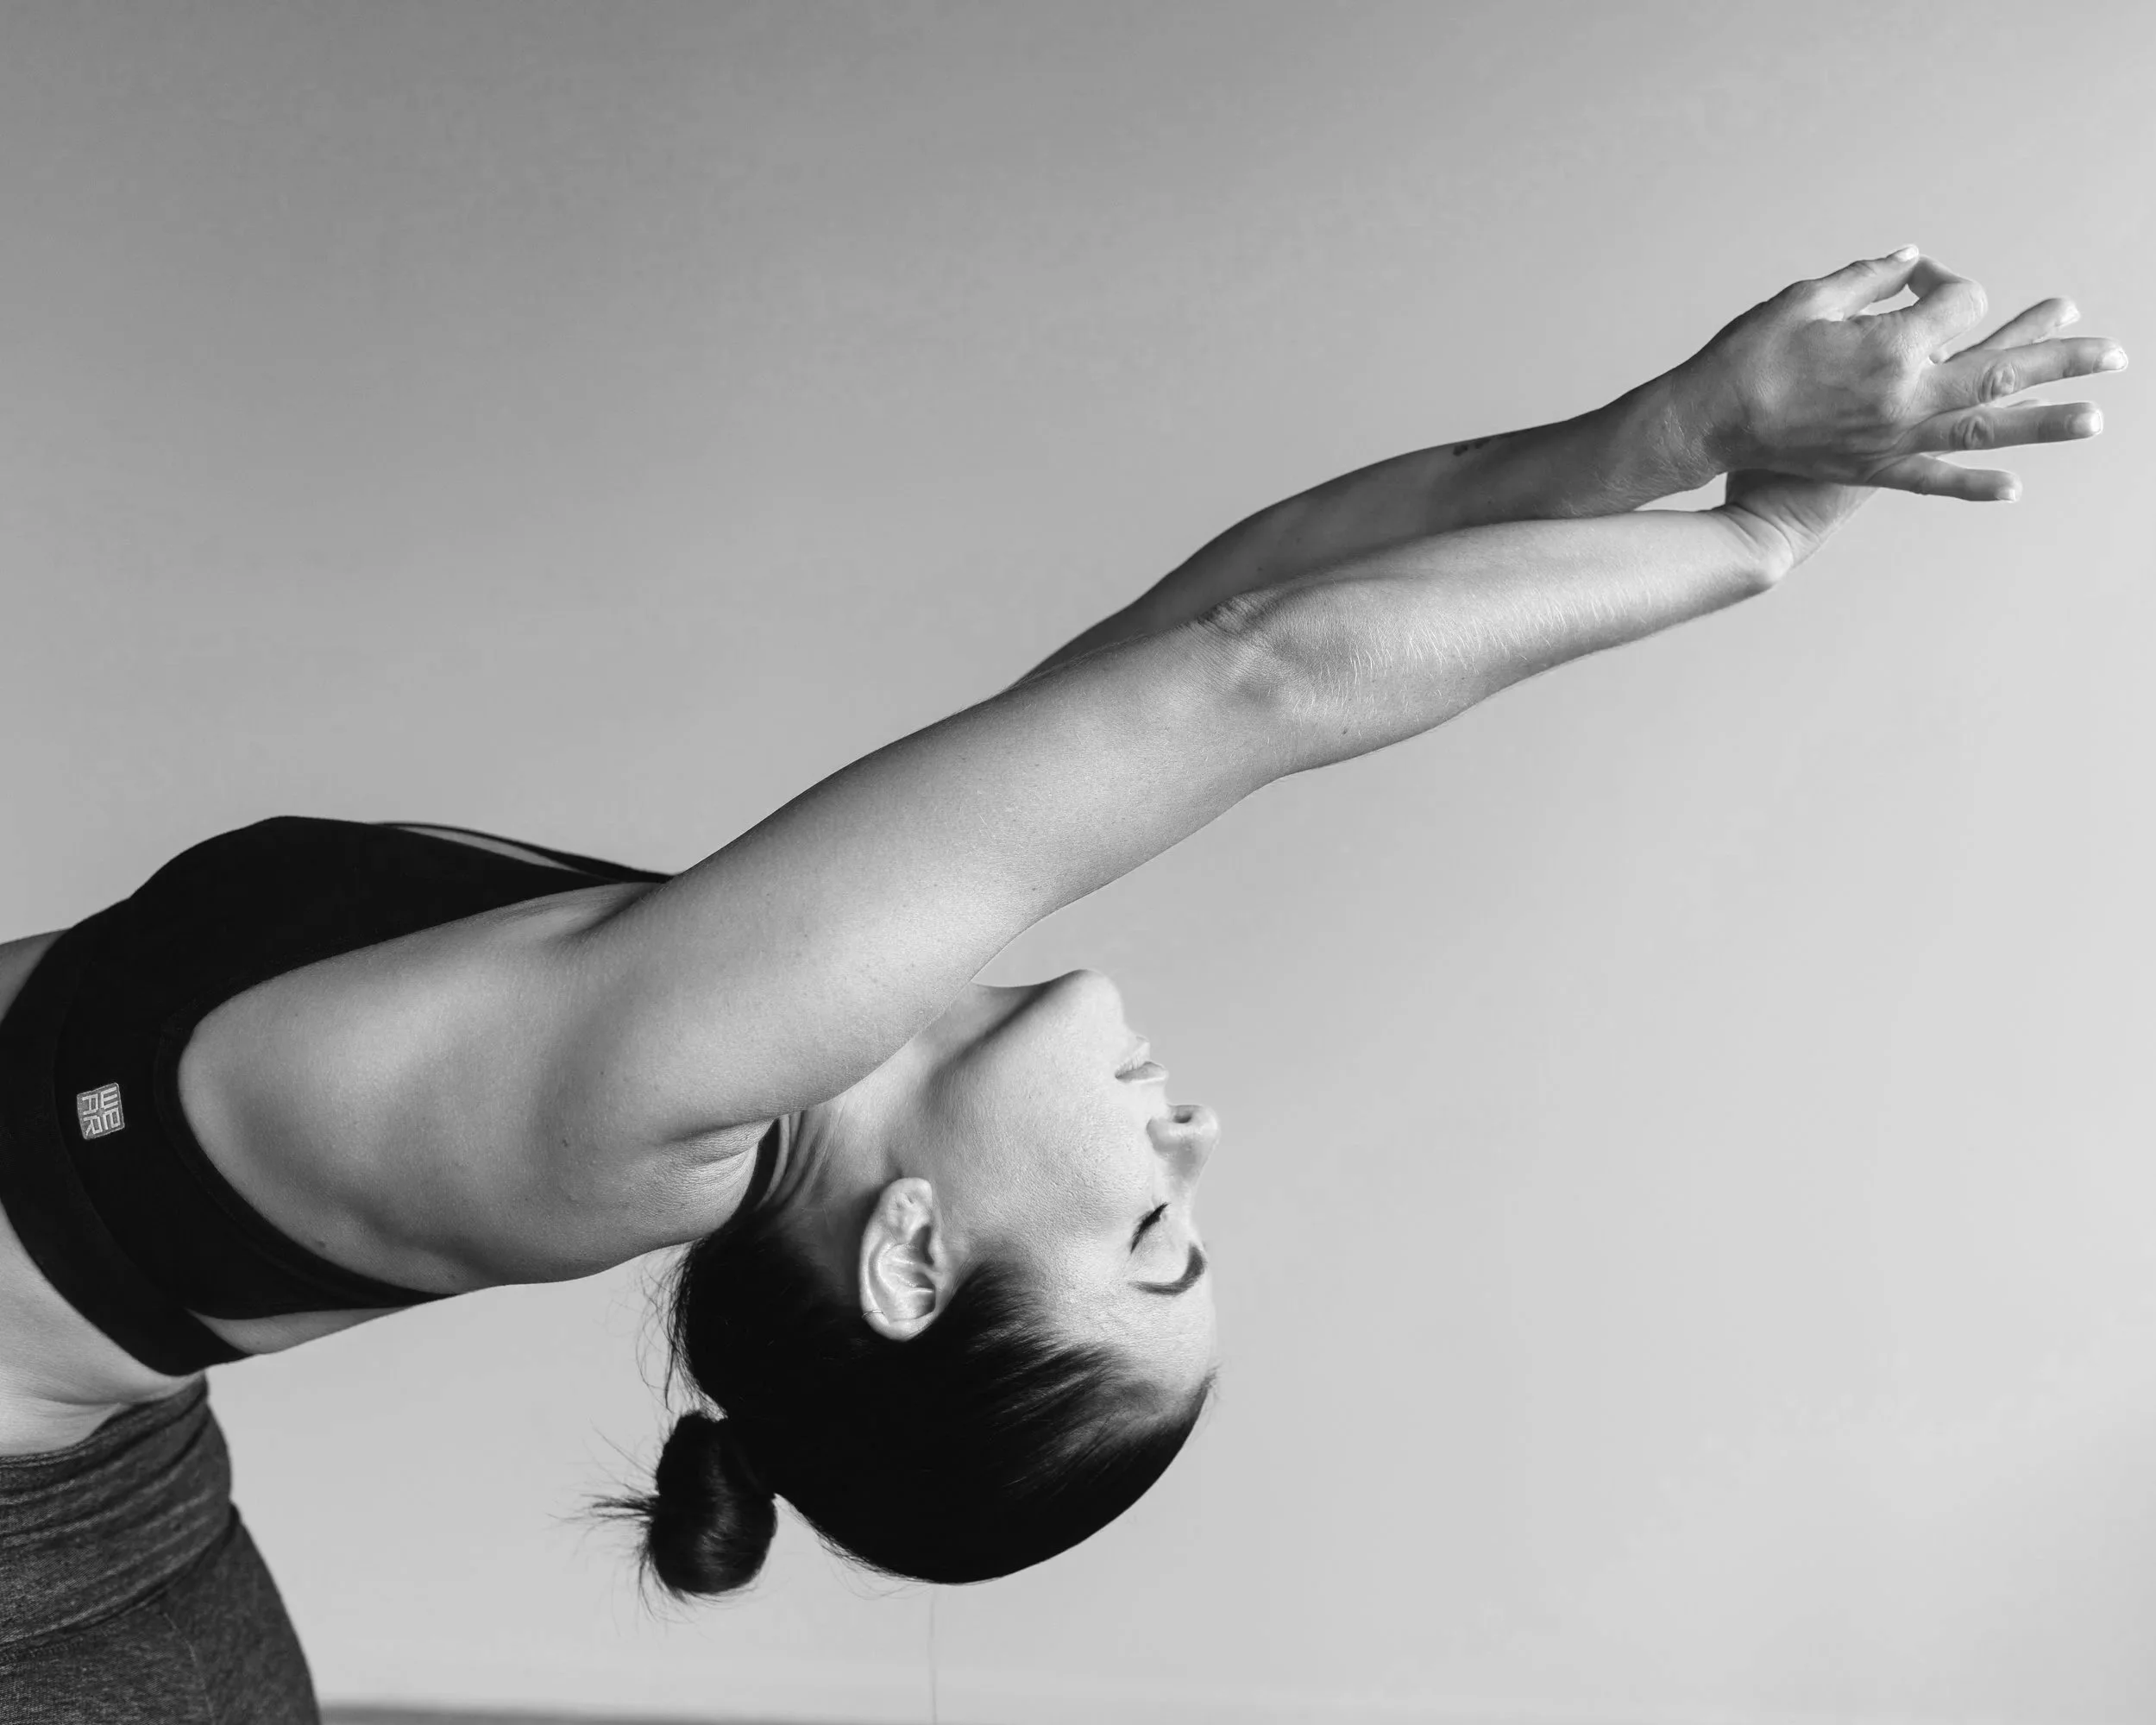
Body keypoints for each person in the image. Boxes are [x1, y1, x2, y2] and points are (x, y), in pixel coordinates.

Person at [0, 249, 2124, 1716]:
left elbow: (1260, 681)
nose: (1195, 1137)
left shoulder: (651, 1107)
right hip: (110, 1477)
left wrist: (1764, 538)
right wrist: (1664, 429)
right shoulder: (785, 1024)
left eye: (1153, 1233)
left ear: (913, 1259)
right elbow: (1238, 609)